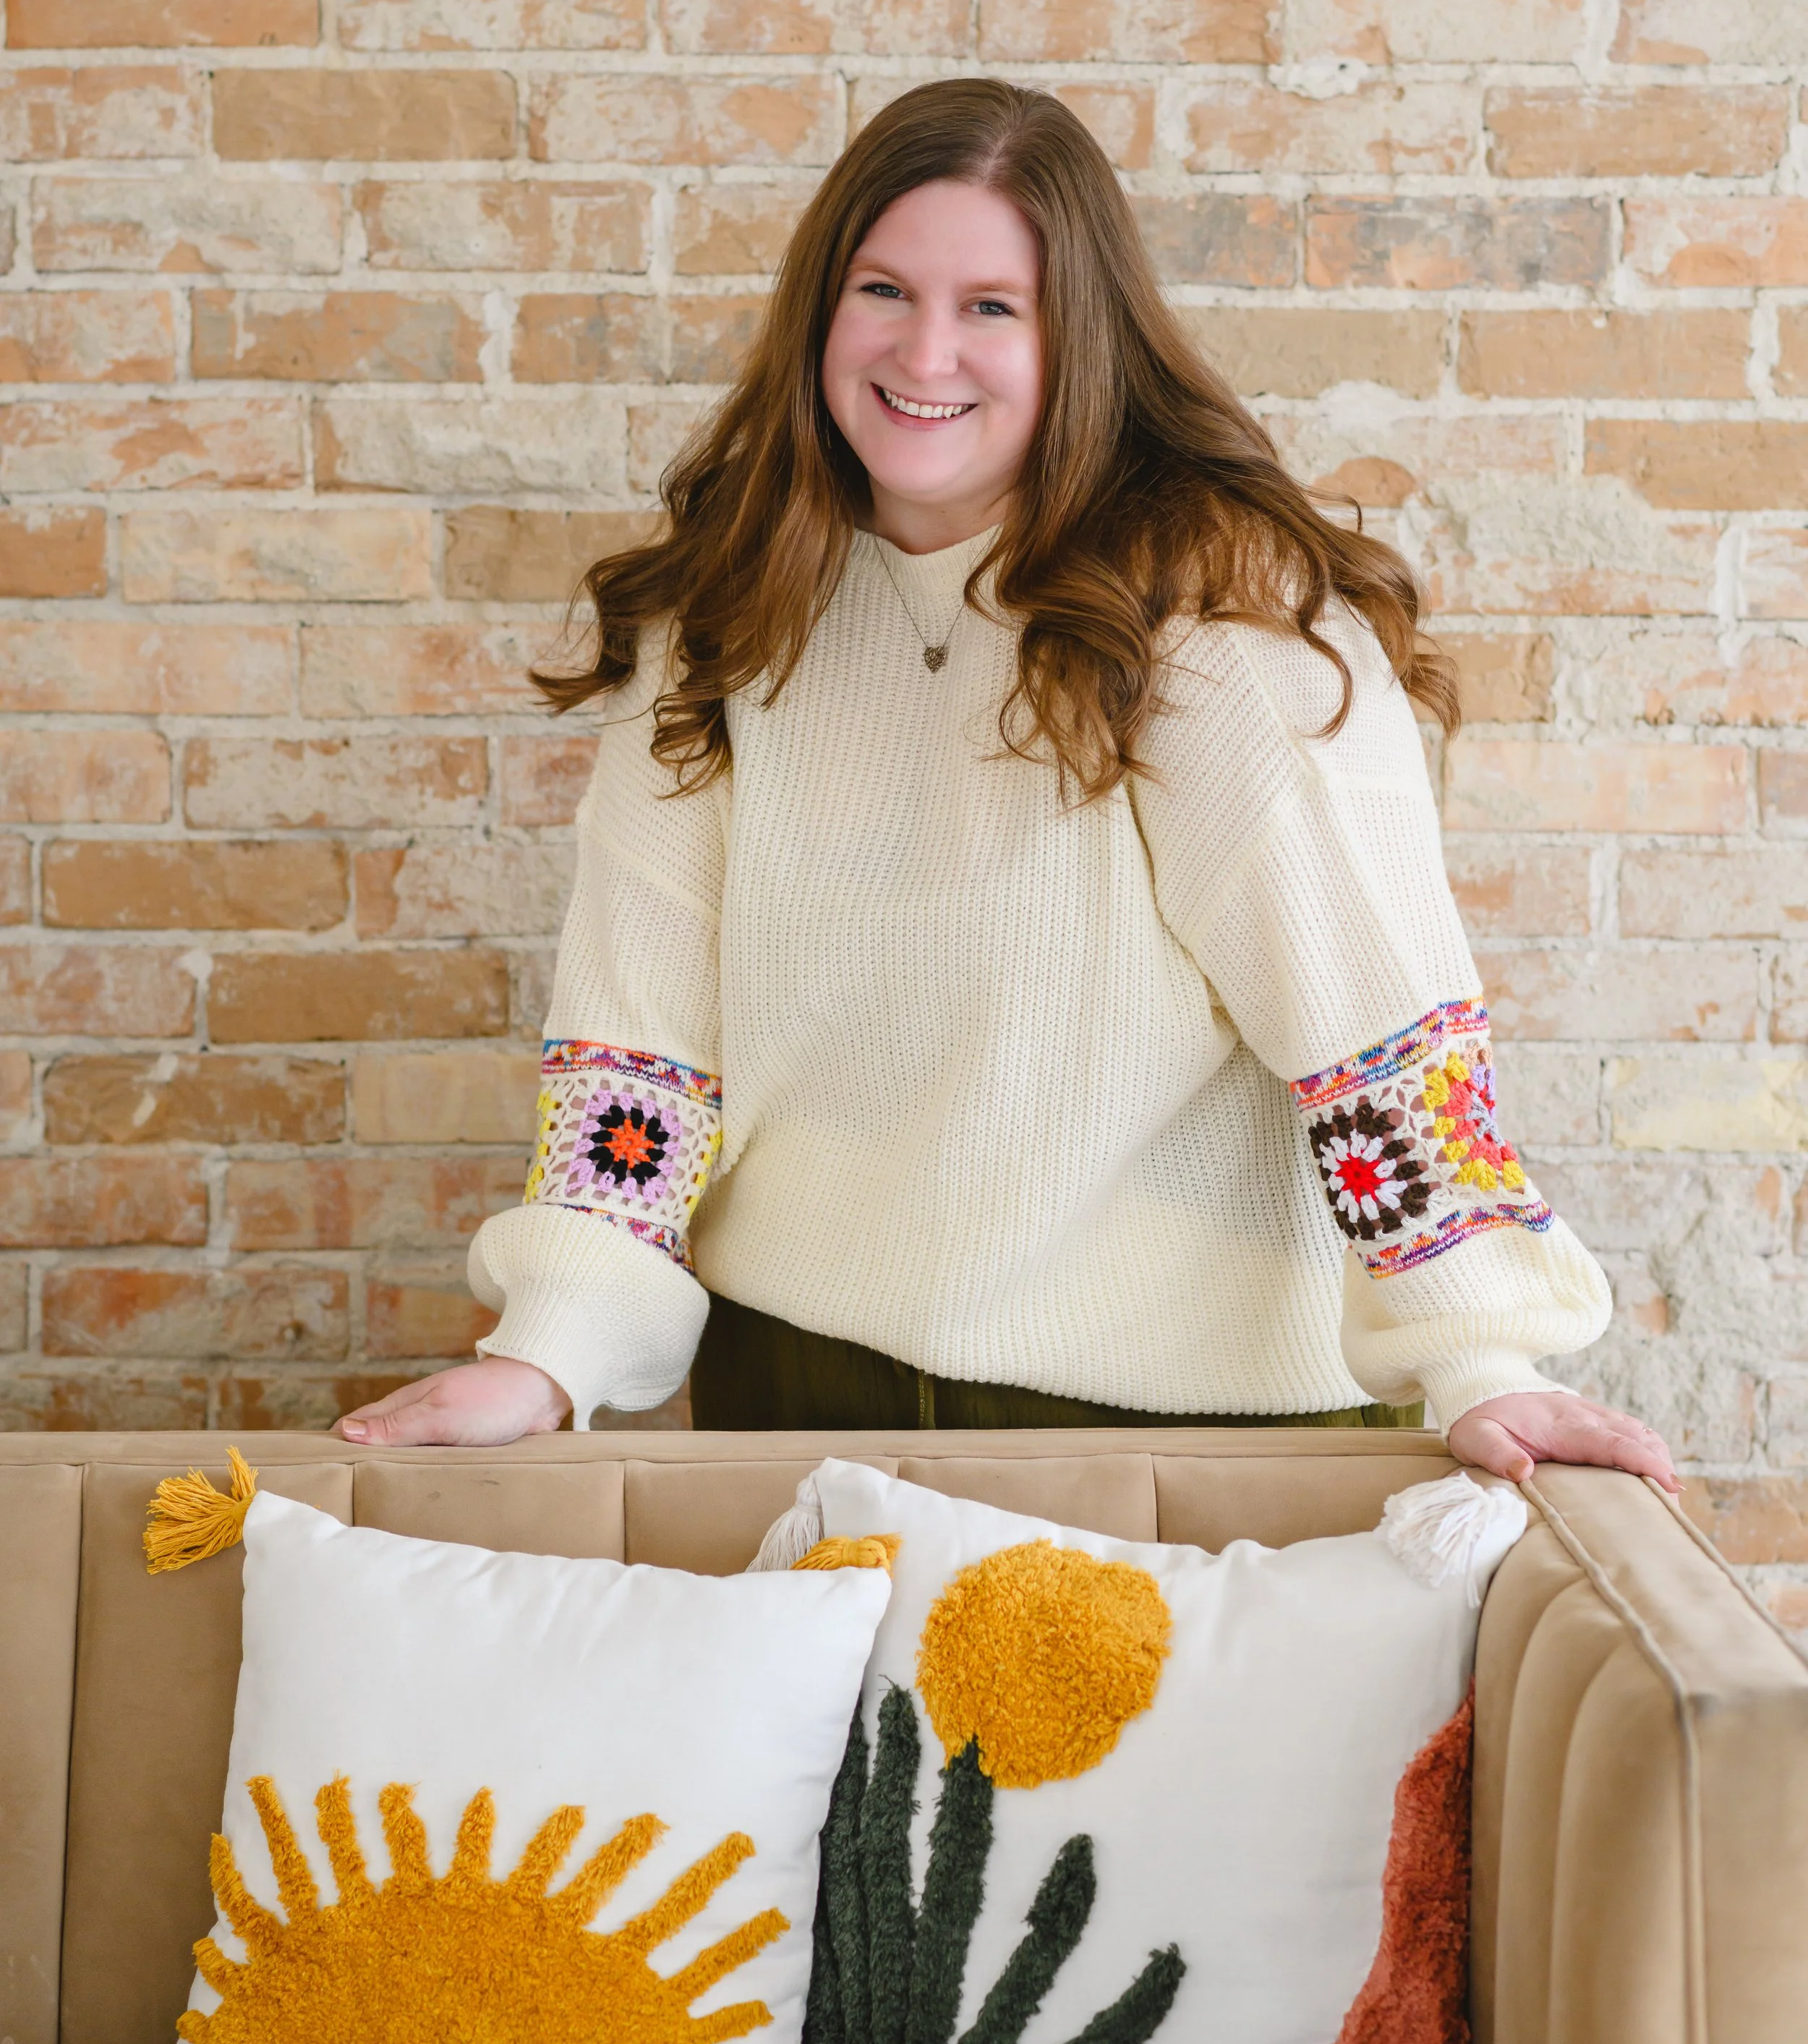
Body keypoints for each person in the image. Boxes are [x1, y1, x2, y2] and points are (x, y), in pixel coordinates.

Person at [335, 79, 1675, 1491]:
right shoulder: (727, 620)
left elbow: (1371, 1021)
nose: (925, 350)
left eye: (993, 307)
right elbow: (640, 1050)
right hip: (798, 1386)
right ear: (818, 313)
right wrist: (545, 1352)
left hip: (1174, 1428)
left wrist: (1474, 1356)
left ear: (1077, 339)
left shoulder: (1213, 630)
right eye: (882, 290)